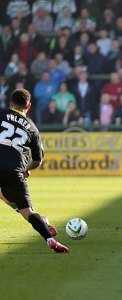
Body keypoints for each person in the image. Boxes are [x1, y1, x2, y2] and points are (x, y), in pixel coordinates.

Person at [0, 89, 69, 253]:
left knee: (3, 194)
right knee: (28, 212)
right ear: (28, 106)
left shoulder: (2, 114)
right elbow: (37, 160)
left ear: (10, 103)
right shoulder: (32, 128)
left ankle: (43, 223)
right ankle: (50, 240)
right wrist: (26, 168)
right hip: (15, 170)